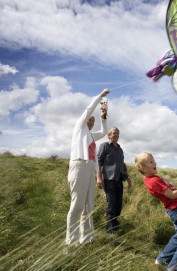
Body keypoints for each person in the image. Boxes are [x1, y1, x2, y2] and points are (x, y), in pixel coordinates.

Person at [135, 152, 177, 271]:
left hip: (175, 209)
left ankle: (162, 259)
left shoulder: (153, 178)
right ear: (143, 168)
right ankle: (174, 268)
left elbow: (172, 192)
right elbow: (172, 195)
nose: (155, 163)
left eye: (154, 160)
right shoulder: (153, 181)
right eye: (151, 162)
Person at [66, 88, 110, 245]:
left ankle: (87, 238)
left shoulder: (91, 135)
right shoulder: (79, 128)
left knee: (88, 205)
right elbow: (88, 110)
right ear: (85, 120)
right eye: (89, 120)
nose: (91, 122)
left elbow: (104, 131)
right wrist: (100, 97)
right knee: (77, 204)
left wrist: (103, 117)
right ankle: (72, 241)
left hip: (91, 168)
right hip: (79, 166)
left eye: (93, 121)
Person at [97, 127, 132, 233]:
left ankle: (114, 224)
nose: (116, 135)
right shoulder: (105, 146)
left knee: (118, 204)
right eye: (114, 133)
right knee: (111, 204)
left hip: (119, 180)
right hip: (109, 179)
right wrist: (99, 177)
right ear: (109, 135)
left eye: (117, 133)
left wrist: (128, 178)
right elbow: (98, 161)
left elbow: (122, 165)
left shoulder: (120, 150)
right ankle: (111, 229)